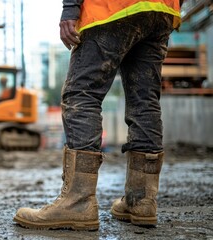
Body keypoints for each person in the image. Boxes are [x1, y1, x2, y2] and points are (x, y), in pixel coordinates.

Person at [13, 0, 183, 231]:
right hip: (161, 10)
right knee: (145, 101)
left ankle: (78, 202)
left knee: (81, 94)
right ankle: (142, 201)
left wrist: (70, 9)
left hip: (111, 8)